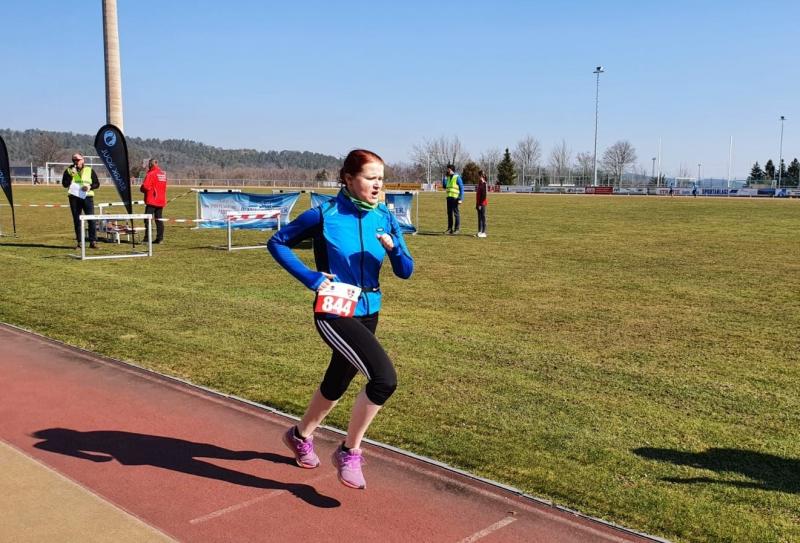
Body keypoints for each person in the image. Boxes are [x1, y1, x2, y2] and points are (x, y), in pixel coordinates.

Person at [267, 149, 414, 490]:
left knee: (337, 380)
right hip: (334, 310)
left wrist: (393, 249)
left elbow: (406, 270)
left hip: (370, 310)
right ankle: (349, 451)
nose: (377, 185)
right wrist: (310, 277)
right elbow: (277, 242)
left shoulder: (385, 216)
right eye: (370, 178)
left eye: (381, 179)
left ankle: (300, 435)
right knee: (384, 379)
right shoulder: (324, 214)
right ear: (348, 179)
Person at [61, 153, 100, 249]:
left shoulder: (89, 170)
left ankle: (93, 241)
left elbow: (97, 184)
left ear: (83, 160)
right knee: (77, 220)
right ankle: (80, 242)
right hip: (74, 197)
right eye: (74, 160)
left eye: (77, 160)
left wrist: (90, 187)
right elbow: (64, 184)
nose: (75, 162)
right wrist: (71, 176)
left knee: (91, 219)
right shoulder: (69, 170)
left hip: (87, 196)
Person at [140, 158, 168, 243]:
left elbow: (145, 186)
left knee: (147, 219)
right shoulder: (162, 174)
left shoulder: (151, 174)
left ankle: (147, 238)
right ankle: (160, 238)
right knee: (159, 219)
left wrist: (141, 189)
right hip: (161, 200)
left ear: (150, 164)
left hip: (152, 200)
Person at [442, 164, 463, 234]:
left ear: (451, 170)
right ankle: (449, 229)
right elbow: (444, 186)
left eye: (448, 169)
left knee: (456, 214)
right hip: (449, 197)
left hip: (455, 198)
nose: (447, 170)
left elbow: (461, 188)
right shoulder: (448, 177)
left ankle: (457, 229)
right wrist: (444, 178)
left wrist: (461, 198)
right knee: (449, 214)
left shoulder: (457, 177)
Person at [475, 170, 488, 238]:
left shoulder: (484, 184)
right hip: (478, 203)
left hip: (482, 203)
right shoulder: (479, 183)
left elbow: (484, 196)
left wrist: (480, 204)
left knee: (483, 217)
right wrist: (477, 204)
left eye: (480, 176)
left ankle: (484, 232)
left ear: (482, 176)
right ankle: (479, 231)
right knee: (479, 218)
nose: (479, 177)